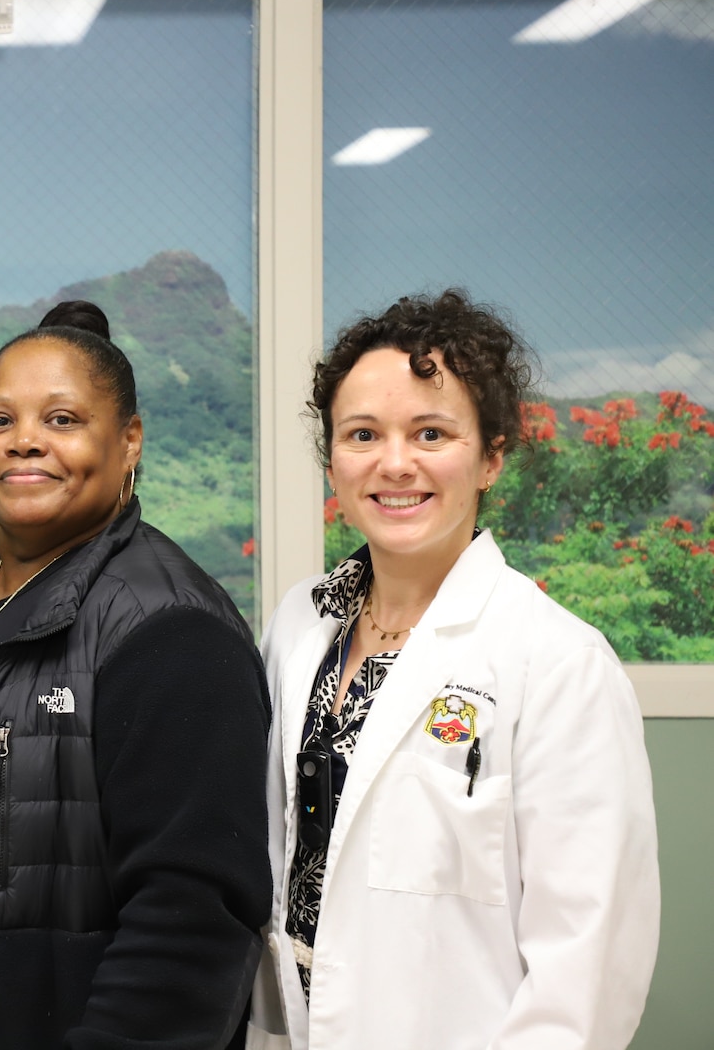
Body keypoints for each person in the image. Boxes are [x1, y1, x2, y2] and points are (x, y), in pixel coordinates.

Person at [0, 300, 272, 1050]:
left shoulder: (171, 630)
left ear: (129, 439)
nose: (24, 442)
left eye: (63, 420)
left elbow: (192, 927)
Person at [246, 290, 659, 1049]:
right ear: (332, 459)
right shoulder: (301, 623)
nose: (394, 463)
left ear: (492, 457)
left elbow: (589, 968)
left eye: (430, 433)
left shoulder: (558, 664)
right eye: (363, 433)